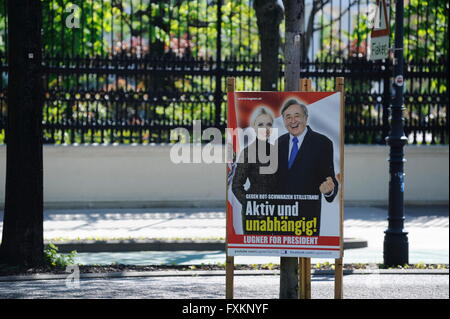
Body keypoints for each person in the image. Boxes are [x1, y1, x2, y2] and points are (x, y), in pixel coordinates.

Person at [276, 99, 339, 236]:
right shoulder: (278, 143)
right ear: (284, 121)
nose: (293, 121)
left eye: (297, 115)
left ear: (306, 118)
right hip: (280, 218)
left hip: (307, 219)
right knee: (284, 256)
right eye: (288, 117)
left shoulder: (323, 143)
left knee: (305, 255)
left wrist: (328, 190)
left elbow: (330, 179)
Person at [232, 107, 278, 234]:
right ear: (254, 127)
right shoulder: (247, 152)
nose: (265, 128)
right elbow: (236, 186)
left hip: (278, 212)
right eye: (261, 124)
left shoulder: (277, 150)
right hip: (254, 214)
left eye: (269, 124)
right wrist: (251, 205)